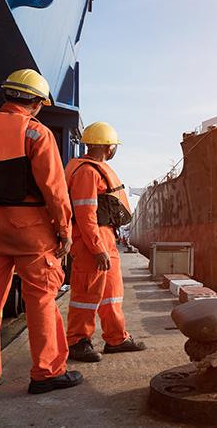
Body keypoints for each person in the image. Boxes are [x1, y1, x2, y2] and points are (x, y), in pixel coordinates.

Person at [0, 69, 83, 395]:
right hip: (30, 230)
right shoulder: (36, 133)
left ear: (7, 94)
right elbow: (54, 189)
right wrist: (64, 230)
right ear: (37, 103)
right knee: (41, 299)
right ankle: (46, 372)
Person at [65, 121, 146, 362]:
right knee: (86, 293)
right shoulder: (87, 172)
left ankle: (116, 338)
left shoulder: (91, 169)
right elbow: (85, 214)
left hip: (105, 237)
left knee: (112, 292)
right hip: (91, 240)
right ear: (109, 147)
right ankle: (77, 341)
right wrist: (96, 248)